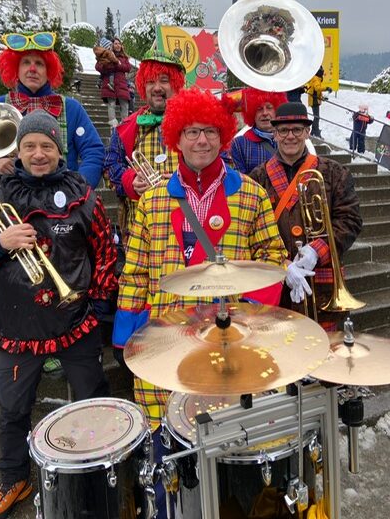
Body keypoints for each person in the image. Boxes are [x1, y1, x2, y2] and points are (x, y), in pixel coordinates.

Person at [112, 87, 287, 517]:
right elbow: (134, 272)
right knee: (169, 453)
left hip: (230, 343)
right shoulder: (152, 200)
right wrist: (126, 338)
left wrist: (248, 317)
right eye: (191, 131)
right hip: (166, 344)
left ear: (223, 135)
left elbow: (273, 259)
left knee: (231, 448)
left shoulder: (251, 194)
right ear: (177, 137)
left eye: (210, 131)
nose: (202, 140)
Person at [0, 110, 118, 519]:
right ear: (18, 152)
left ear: (59, 151)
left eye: (46, 145)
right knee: (12, 408)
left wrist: (98, 306)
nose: (38, 154)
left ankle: (95, 472)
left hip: (75, 322)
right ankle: (14, 479)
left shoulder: (83, 196)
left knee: (92, 399)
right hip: (19, 327)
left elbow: (105, 253)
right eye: (29, 146)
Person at [250, 102, 362, 332]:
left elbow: (350, 220)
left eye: (297, 129)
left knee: (326, 348)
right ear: (275, 134)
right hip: (277, 284)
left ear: (307, 132)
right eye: (283, 130)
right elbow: (251, 233)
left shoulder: (335, 172)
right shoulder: (257, 177)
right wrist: (282, 265)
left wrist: (316, 250)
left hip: (323, 283)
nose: (290, 136)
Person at [0, 31, 106, 190]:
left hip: (65, 198)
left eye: (39, 63)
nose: (32, 69)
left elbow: (93, 151)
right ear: (16, 68)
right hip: (14, 197)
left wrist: (79, 187)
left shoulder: (71, 108)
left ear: (49, 70)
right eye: (26, 62)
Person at [104, 49, 186, 237]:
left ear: (176, 84)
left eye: (164, 80)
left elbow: (221, 164)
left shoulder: (195, 123)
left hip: (187, 226)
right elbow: (109, 167)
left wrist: (188, 180)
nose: (157, 88)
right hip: (141, 232)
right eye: (150, 81)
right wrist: (130, 181)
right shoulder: (126, 127)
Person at [230, 88, 287, 174]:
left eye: (269, 107)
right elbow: (239, 179)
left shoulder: (290, 139)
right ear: (252, 113)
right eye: (259, 109)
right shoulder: (239, 144)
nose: (265, 113)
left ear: (277, 110)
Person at [95, 36, 132, 127]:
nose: (118, 45)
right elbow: (98, 67)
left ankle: (125, 124)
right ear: (112, 45)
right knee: (111, 103)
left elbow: (128, 68)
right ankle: (113, 123)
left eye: (119, 44)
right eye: (116, 43)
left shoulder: (124, 57)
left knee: (124, 104)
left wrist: (117, 64)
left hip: (121, 84)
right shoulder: (105, 55)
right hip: (109, 83)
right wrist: (109, 66)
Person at [305, 66, 331, 138]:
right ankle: (315, 131)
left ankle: (314, 131)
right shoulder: (316, 79)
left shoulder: (316, 79)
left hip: (315, 99)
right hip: (314, 100)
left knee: (316, 117)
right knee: (316, 117)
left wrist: (322, 98)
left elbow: (317, 92)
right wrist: (326, 88)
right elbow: (317, 88)